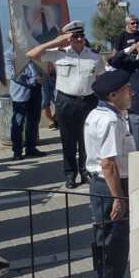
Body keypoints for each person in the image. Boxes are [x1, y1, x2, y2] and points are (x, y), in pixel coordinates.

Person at [26, 21, 104, 188]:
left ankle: (86, 172)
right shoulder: (58, 54)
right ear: (68, 38)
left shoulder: (94, 56)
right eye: (74, 36)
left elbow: (101, 80)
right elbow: (31, 54)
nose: (79, 39)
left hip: (88, 101)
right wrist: (56, 42)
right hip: (66, 101)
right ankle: (70, 175)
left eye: (81, 35)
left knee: (87, 140)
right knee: (68, 141)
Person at [84, 69, 135, 278]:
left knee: (108, 243)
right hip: (110, 184)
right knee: (112, 245)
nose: (131, 92)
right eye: (127, 89)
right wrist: (118, 197)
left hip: (105, 183)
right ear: (113, 94)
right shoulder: (110, 120)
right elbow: (108, 164)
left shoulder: (102, 114)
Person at [5, 47, 44, 159]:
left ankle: (31, 149)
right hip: (20, 93)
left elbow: (42, 66)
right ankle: (17, 152)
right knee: (18, 123)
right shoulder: (9, 54)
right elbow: (12, 74)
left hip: (36, 90)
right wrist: (33, 80)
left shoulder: (33, 50)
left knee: (34, 121)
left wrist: (42, 76)